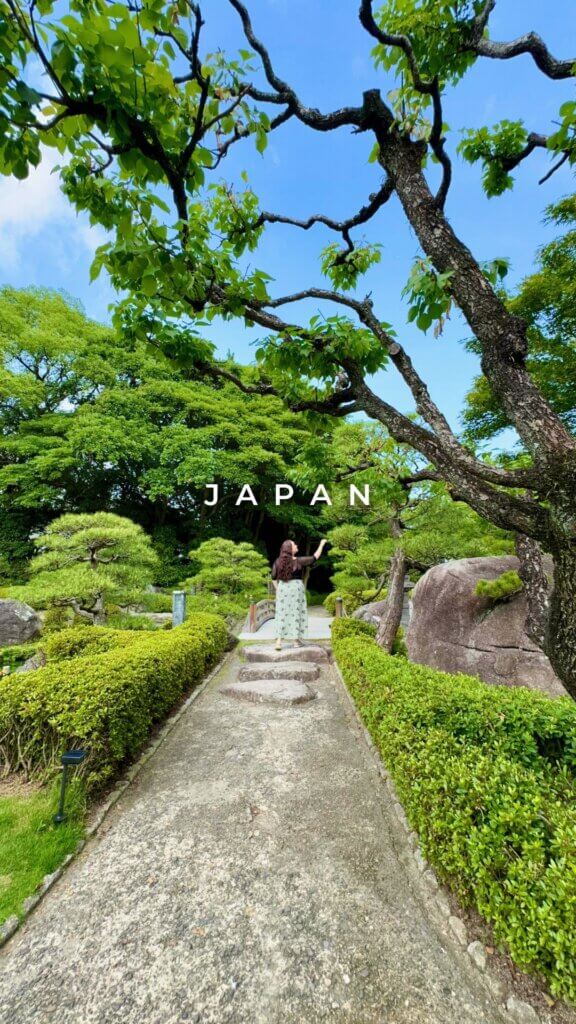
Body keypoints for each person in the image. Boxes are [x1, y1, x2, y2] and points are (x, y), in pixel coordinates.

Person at [271, 537, 328, 650]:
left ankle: (278, 642)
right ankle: (296, 641)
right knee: (296, 613)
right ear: (289, 549)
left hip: (283, 589)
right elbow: (314, 558)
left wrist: (278, 590)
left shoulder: (277, 562)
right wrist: (321, 544)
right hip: (296, 589)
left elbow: (273, 577)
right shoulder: (298, 561)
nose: (296, 546)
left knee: (281, 614)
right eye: (294, 545)